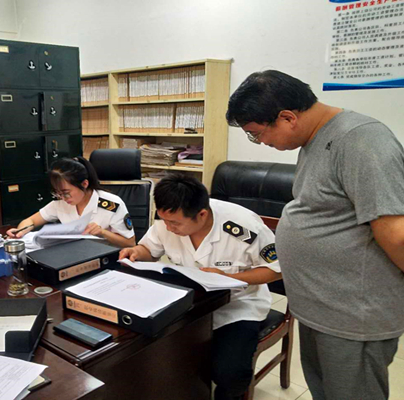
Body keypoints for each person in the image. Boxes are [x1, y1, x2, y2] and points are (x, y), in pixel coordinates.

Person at [226, 70, 404, 400]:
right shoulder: (313, 139)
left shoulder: (363, 140)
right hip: (319, 306)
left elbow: (397, 234)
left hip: (353, 315)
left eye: (256, 134)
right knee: (325, 390)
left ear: (287, 117)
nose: (260, 142)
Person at [119, 174, 281, 400]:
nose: (168, 228)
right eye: (164, 221)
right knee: (152, 353)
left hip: (237, 305)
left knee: (229, 372)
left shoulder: (244, 227)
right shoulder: (168, 218)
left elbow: (276, 270)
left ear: (202, 214)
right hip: (189, 303)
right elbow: (149, 249)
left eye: (175, 223)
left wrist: (229, 277)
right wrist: (136, 252)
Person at [6, 156, 136, 248]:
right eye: (58, 193)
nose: (63, 197)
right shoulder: (60, 203)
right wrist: (20, 231)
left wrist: (103, 232)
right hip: (72, 255)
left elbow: (130, 243)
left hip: (104, 258)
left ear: (84, 184)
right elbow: (31, 221)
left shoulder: (111, 204)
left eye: (66, 192)